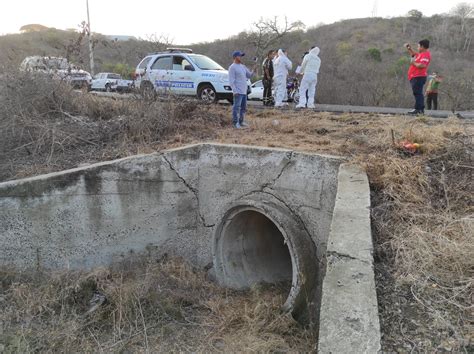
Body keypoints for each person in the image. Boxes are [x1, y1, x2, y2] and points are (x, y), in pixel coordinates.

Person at [228, 50, 255, 129]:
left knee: (243, 107)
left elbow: (249, 75)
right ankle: (235, 123)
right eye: (240, 56)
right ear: (236, 57)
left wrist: (254, 69)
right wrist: (234, 91)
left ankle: (241, 121)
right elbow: (231, 81)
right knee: (236, 107)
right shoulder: (232, 67)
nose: (241, 57)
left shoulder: (242, 66)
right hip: (238, 91)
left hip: (244, 91)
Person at [405, 39, 431, 115]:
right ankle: (418, 109)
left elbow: (422, 65)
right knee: (417, 93)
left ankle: (419, 109)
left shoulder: (426, 54)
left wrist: (413, 62)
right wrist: (409, 48)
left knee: (418, 93)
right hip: (414, 77)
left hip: (419, 77)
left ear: (422, 47)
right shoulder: (420, 54)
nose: (417, 48)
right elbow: (413, 54)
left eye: (418, 46)